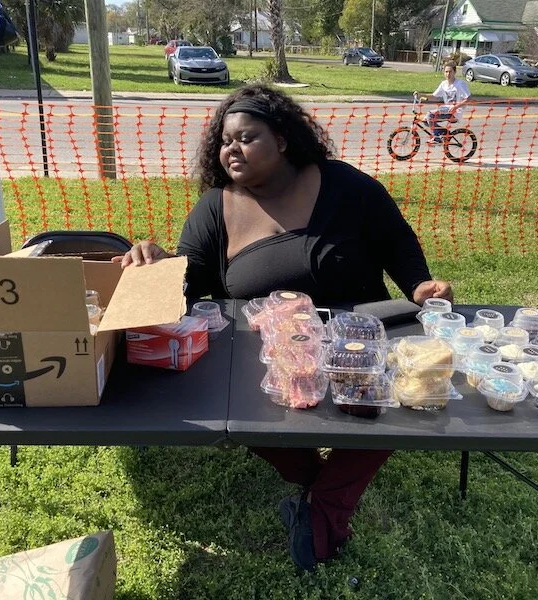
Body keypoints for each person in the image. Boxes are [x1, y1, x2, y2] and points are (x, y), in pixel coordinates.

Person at [117, 84, 453, 571]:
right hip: (268, 349)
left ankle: (323, 506)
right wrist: (158, 263)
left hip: (357, 339)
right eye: (225, 141)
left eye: (246, 137)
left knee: (390, 406)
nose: (232, 150)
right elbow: (189, 280)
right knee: (246, 413)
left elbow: (395, 240)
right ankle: (321, 485)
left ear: (282, 139)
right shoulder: (216, 207)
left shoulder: (346, 186)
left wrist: (419, 284)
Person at [425, 60, 471, 144]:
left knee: (429, 115)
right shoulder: (443, 84)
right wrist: (421, 95)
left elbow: (468, 99)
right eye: (446, 72)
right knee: (425, 121)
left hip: (455, 113)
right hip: (446, 110)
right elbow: (434, 96)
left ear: (455, 72)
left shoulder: (460, 84)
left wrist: (456, 107)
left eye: (450, 72)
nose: (448, 74)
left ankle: (436, 137)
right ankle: (445, 134)